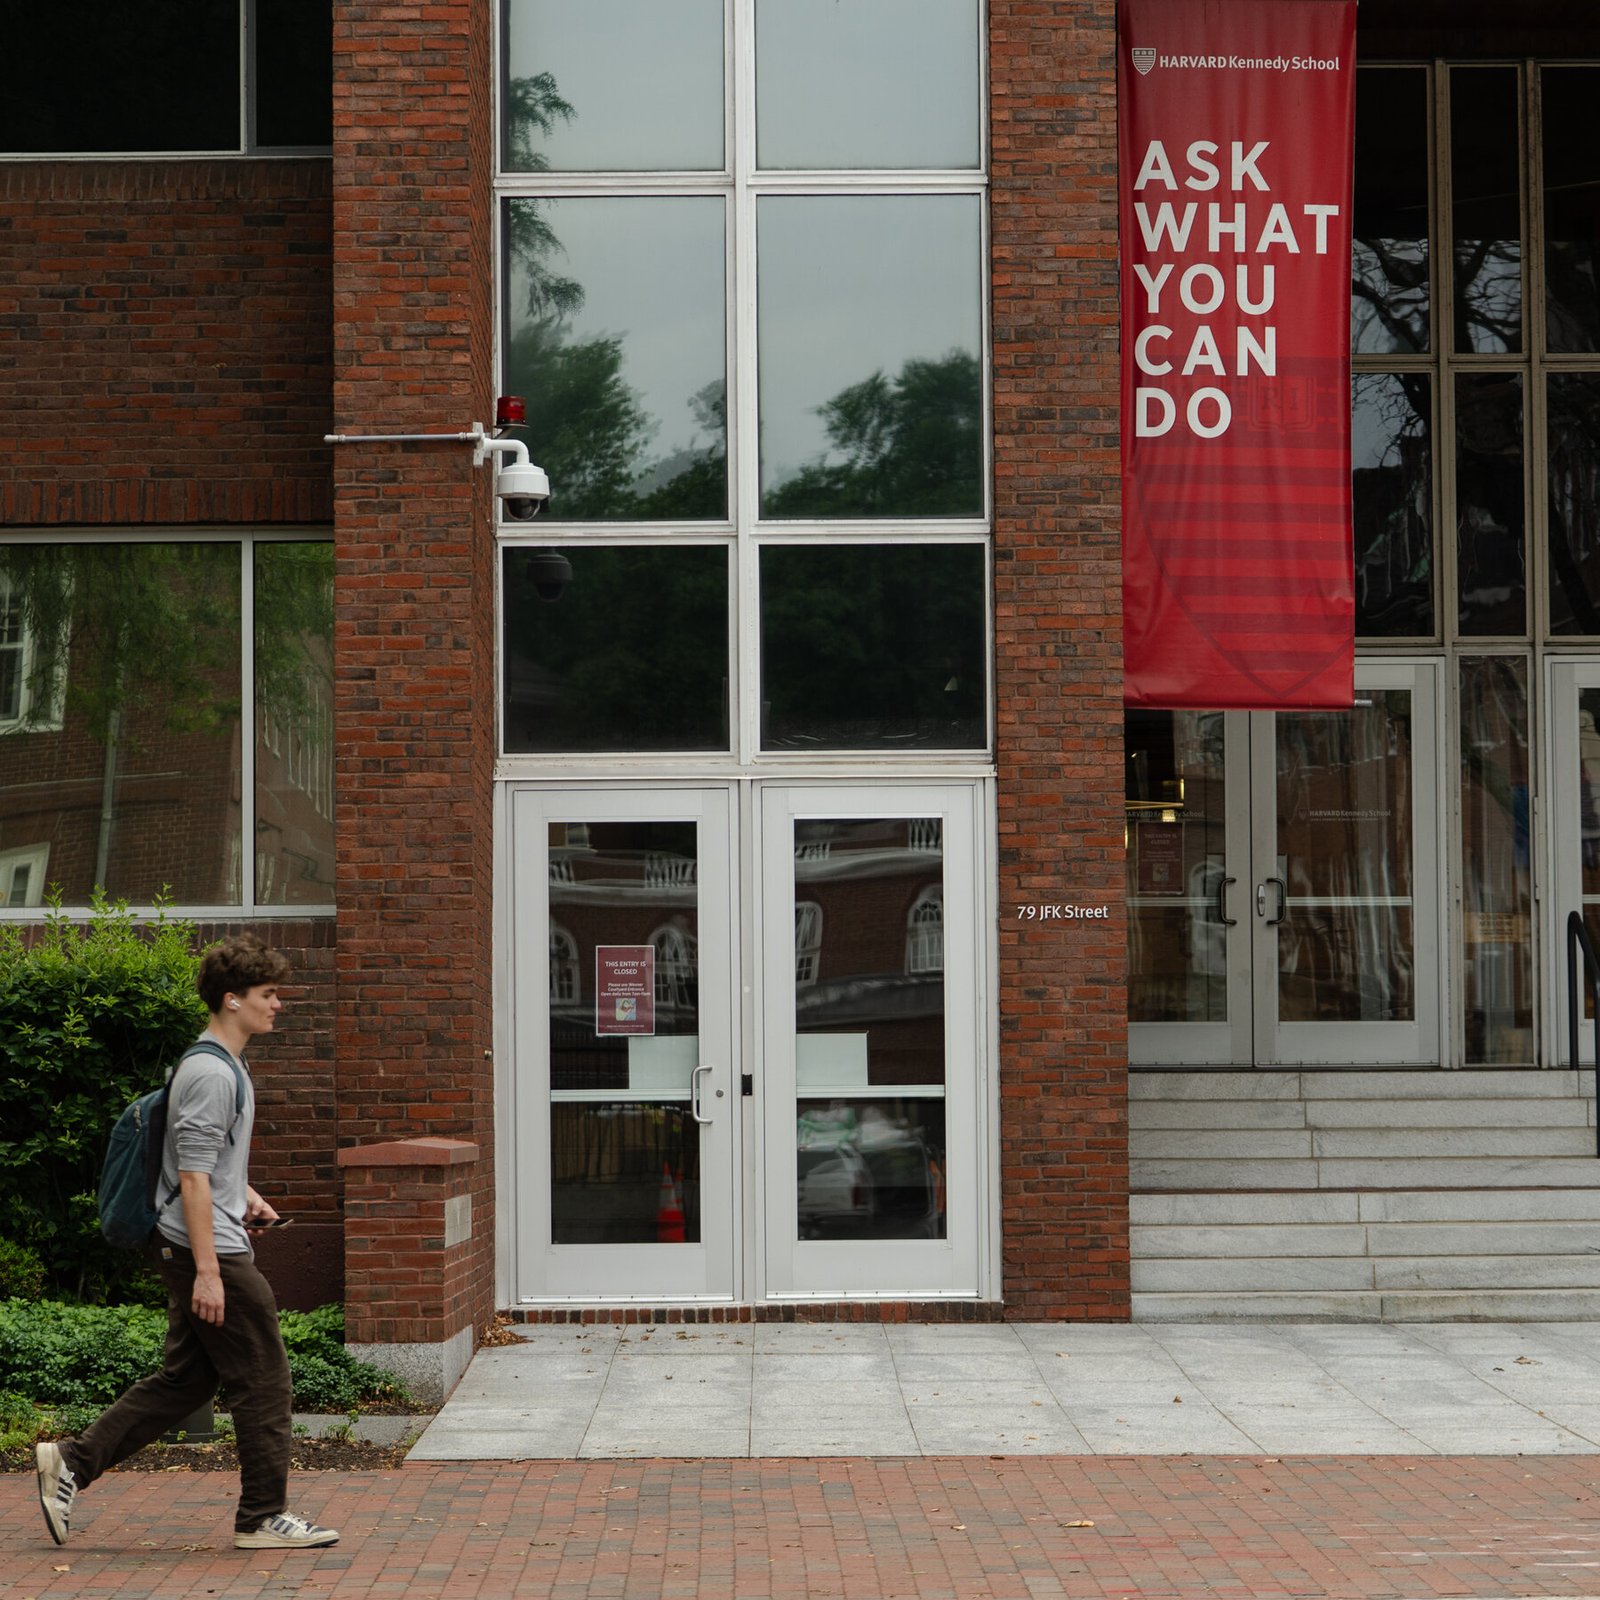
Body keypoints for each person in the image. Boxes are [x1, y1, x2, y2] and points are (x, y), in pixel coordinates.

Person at [36, 934, 338, 1551]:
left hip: (207, 1238)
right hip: (208, 1251)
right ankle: (261, 1517)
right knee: (265, 1376)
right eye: (268, 994)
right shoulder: (209, 1072)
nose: (277, 1004)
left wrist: (244, 1193)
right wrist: (207, 1270)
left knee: (187, 1380)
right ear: (232, 1000)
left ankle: (71, 1462)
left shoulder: (223, 1064)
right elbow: (193, 1178)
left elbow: (203, 1162)